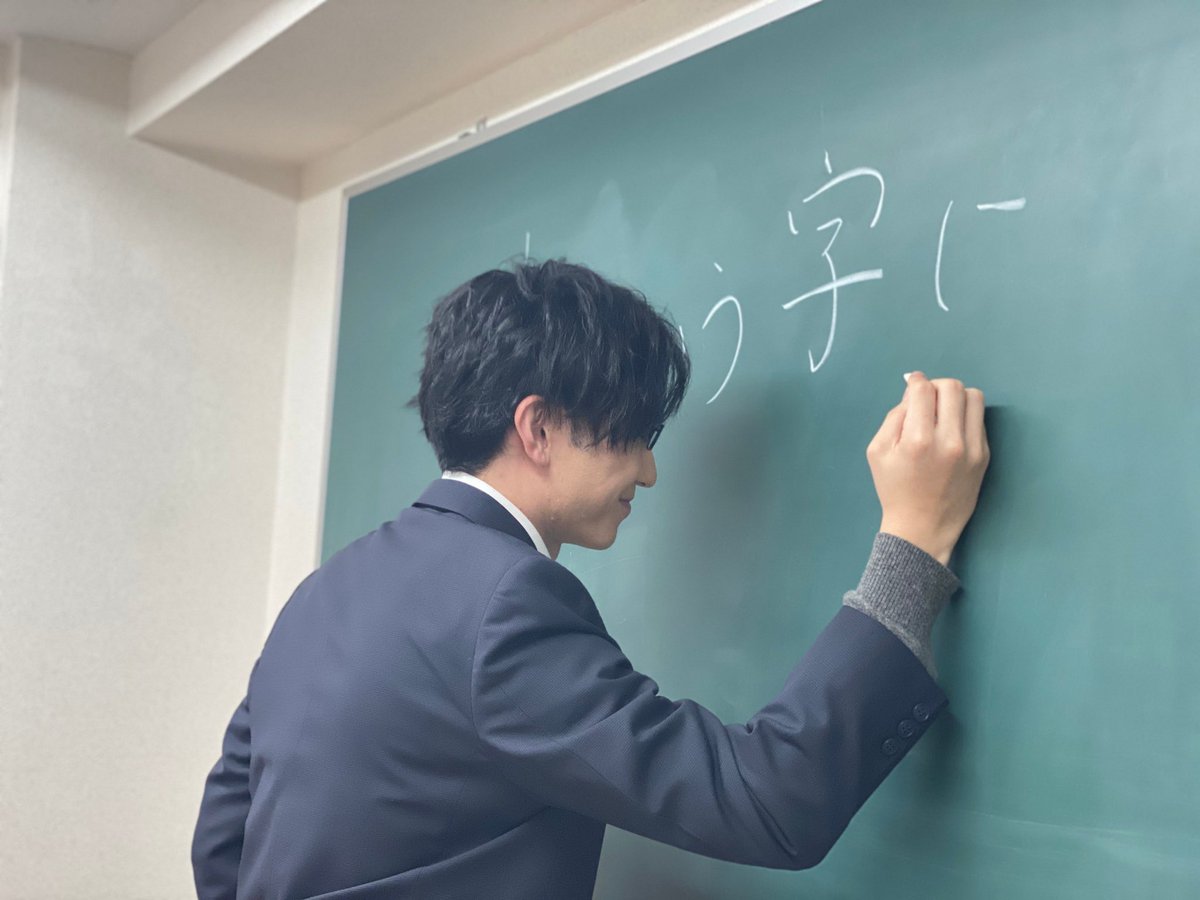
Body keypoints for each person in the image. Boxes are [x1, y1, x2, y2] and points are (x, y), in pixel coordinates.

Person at [192, 259, 989, 899]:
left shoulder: (322, 592)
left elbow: (225, 838)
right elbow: (765, 800)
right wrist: (912, 539)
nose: (648, 470)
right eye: (632, 435)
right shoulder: (505, 603)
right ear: (538, 428)